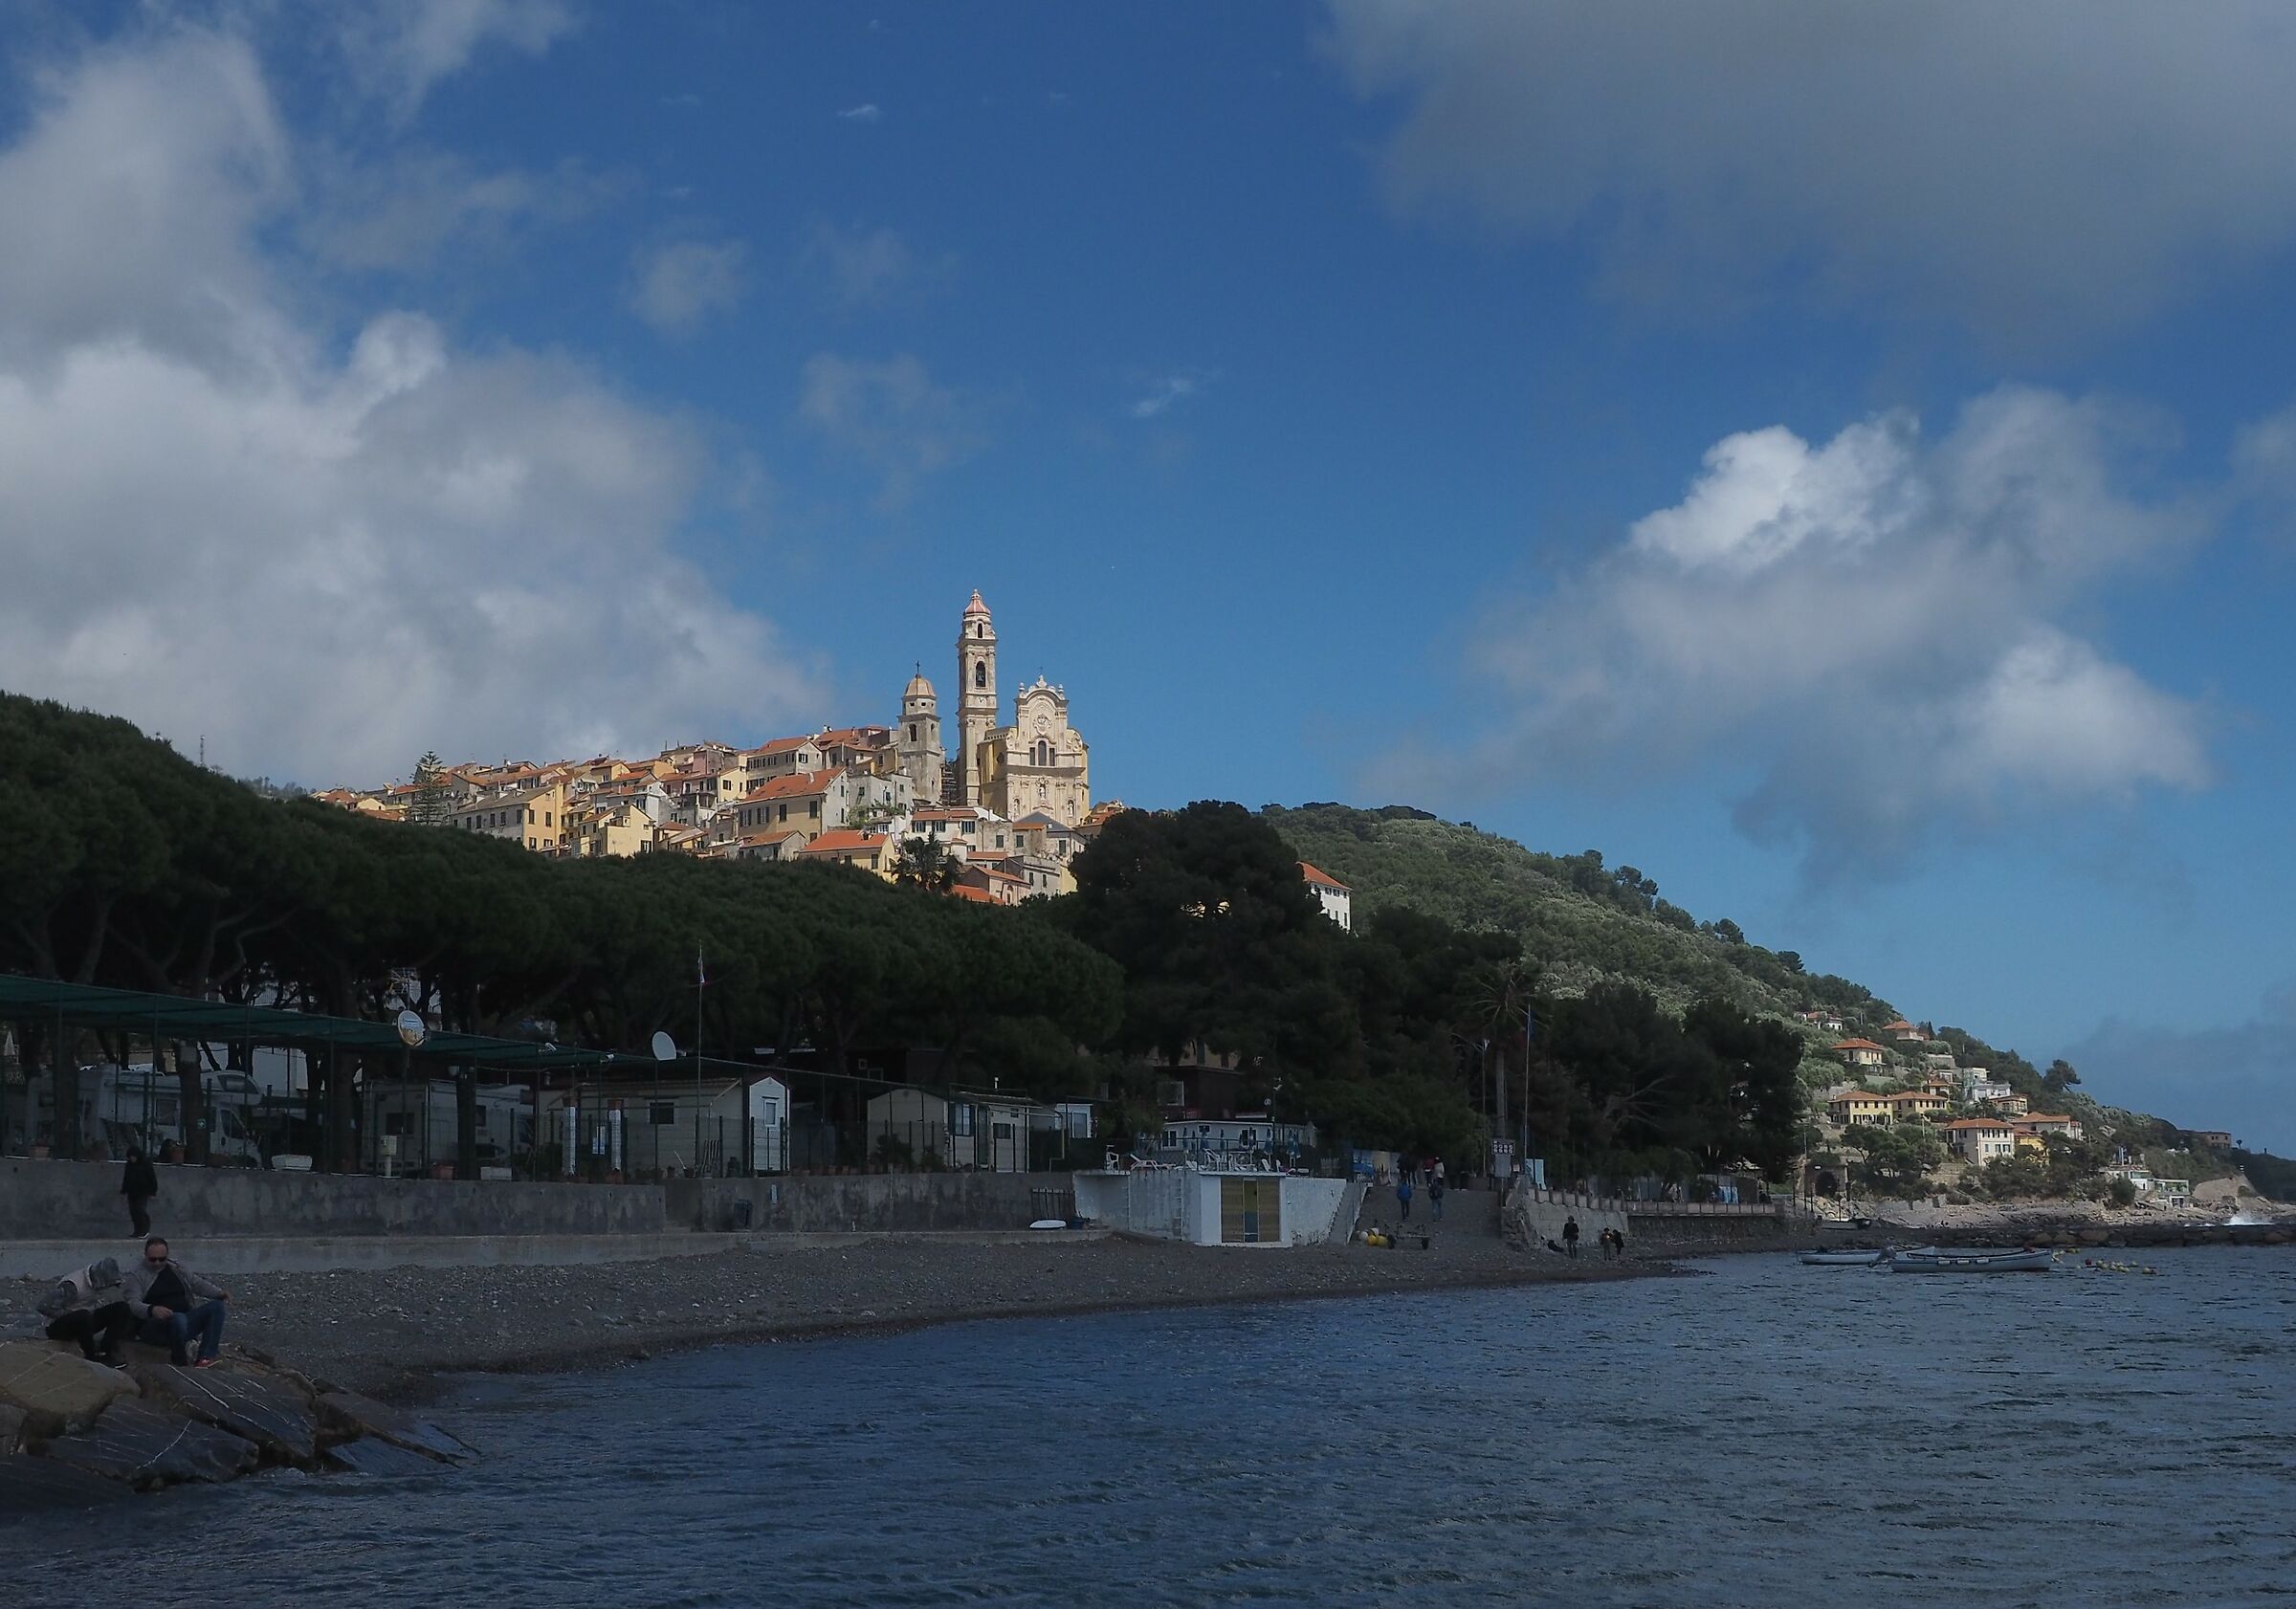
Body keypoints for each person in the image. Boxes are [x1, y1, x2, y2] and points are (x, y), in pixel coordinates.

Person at [120, 1237, 230, 1368]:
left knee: (216, 1307)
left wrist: (219, 1293)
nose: (157, 1263)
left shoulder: (176, 1268)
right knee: (178, 1318)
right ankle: (180, 1363)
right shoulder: (137, 1276)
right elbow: (132, 1304)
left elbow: (197, 1283)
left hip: (184, 1319)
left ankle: (204, 1359)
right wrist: (152, 1309)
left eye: (162, 1259)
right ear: (145, 1256)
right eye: (152, 1259)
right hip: (154, 1326)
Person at [36, 1256, 134, 1366]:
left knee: (122, 1308)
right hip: (60, 1327)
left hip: (84, 1324)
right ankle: (91, 1357)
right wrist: (71, 1315)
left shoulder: (96, 1285)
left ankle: (106, 1350)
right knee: (83, 1316)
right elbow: (43, 1306)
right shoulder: (72, 1286)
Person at [121, 1146, 158, 1238]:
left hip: (143, 1191)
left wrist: (153, 1191)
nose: (132, 1159)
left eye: (133, 1157)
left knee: (140, 1210)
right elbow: (126, 1178)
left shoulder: (145, 1164)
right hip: (132, 1191)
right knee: (133, 1212)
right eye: (130, 1157)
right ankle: (137, 1230)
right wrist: (124, 1189)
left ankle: (144, 1230)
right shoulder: (129, 1165)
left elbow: (152, 1178)